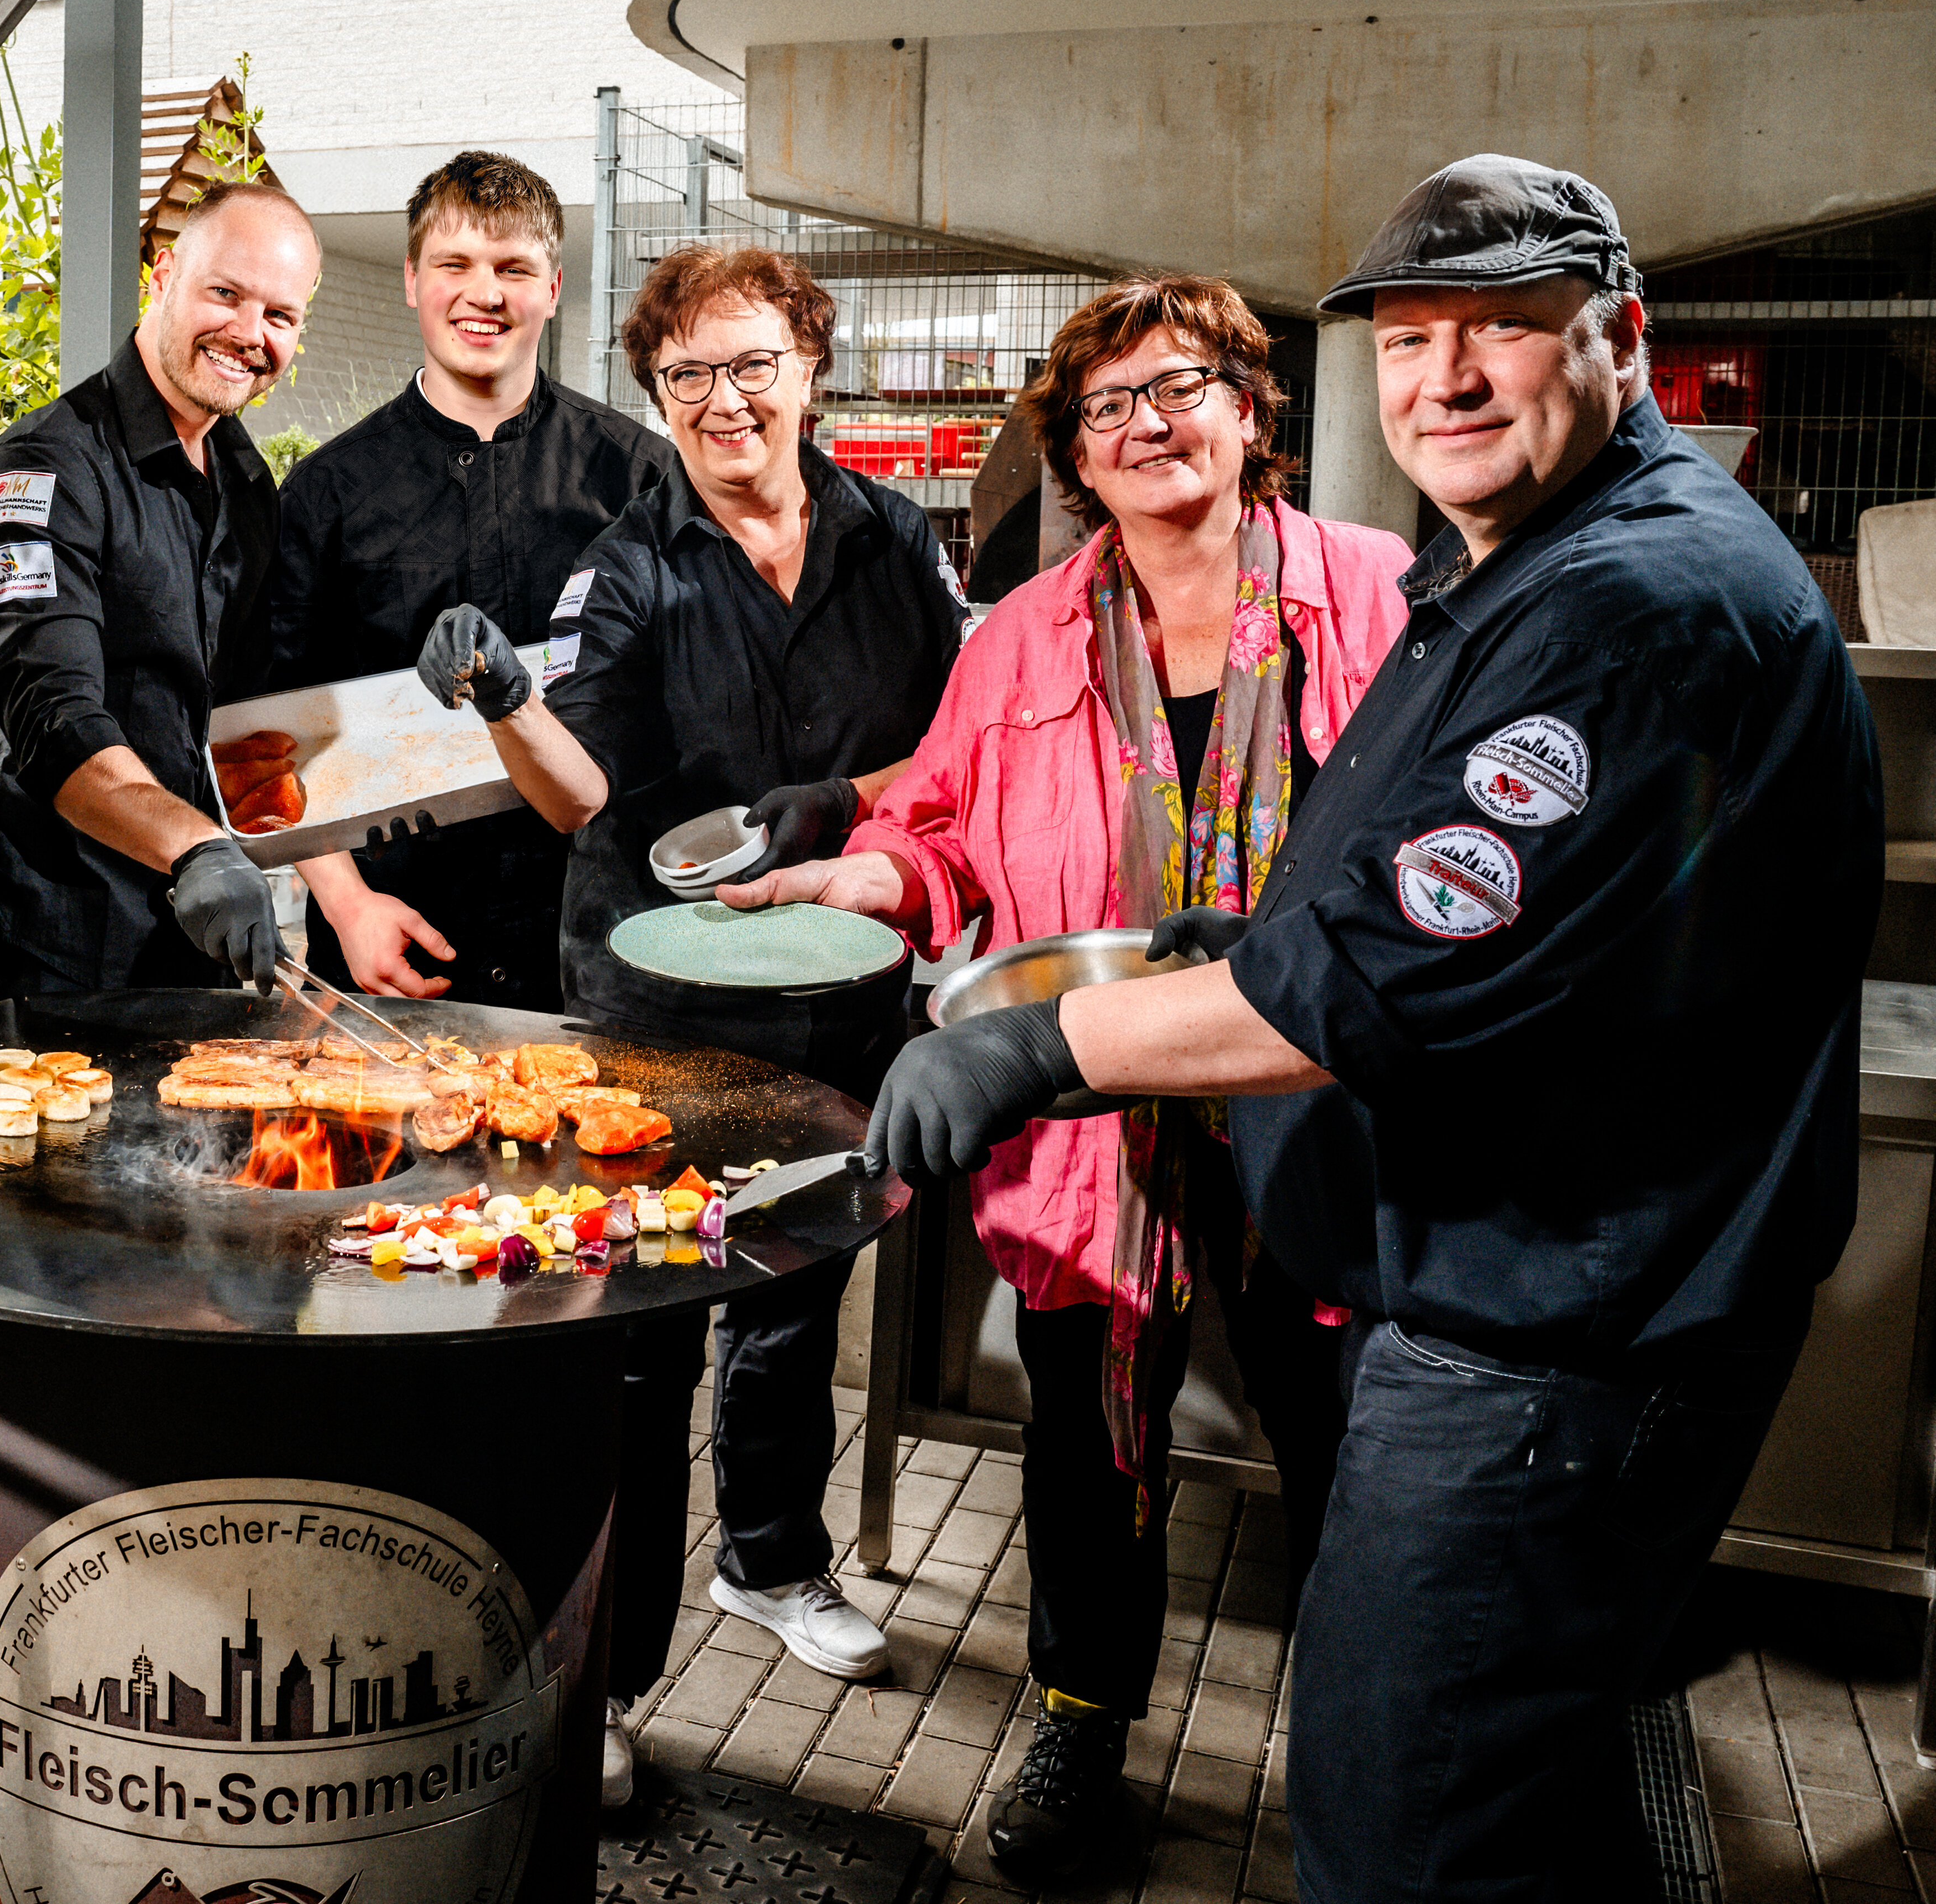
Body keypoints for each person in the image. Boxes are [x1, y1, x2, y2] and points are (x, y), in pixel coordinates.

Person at [866, 157, 1882, 1902]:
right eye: (1409, 340)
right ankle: (1090, 1713)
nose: (1447, 378)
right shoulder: (1506, 565)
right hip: (1488, 1269)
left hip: (1549, 1328)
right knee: (1505, 1790)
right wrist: (1227, 936)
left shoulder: (1619, 605)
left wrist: (1037, 1046)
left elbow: (1392, 968)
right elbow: (1414, 868)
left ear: (1623, 337)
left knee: (1410, 1823)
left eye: (1504, 329)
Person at [723, 272, 1410, 1883]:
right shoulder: (1026, 632)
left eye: (1181, 389)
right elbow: (939, 834)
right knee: (1091, 1439)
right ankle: (1084, 1720)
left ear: (1251, 413)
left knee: (1347, 1432)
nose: (1147, 426)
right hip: (1089, 1112)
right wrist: (855, 880)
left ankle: (1373, 1736)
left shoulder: (1374, 593)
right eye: (1109, 408)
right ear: (1077, 454)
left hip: (1311, 1103)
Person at [420, 242, 962, 1798]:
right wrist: (510, 699)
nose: (725, 400)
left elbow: (959, 743)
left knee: (793, 1297)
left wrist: (843, 802)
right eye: (687, 376)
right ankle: (604, 1678)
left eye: (752, 364)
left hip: (842, 992)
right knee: (644, 1343)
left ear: (811, 365)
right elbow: (576, 793)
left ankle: (773, 1561)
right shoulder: (625, 564)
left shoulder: (891, 538)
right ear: (658, 395)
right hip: (659, 1014)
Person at [260, 151, 670, 1008]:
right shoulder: (326, 493)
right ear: (413, 280)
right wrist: (348, 905)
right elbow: (271, 731)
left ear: (553, 287)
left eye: (513, 268)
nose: (485, 293)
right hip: (391, 950)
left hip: (601, 947)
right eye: (456, 264)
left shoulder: (642, 480)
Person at [0, 179, 321, 996]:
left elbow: (245, 714)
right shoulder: (44, 467)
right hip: (69, 932)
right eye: (225, 294)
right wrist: (196, 849)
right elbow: (52, 718)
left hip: (209, 924)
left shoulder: (246, 481)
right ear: (163, 277)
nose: (249, 333)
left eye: (279, 314)